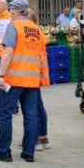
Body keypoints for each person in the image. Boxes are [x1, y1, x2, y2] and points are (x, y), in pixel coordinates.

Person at [0, 0, 47, 163]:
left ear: (13, 10)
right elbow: (42, 57)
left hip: (14, 79)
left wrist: (0, 76)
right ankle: (29, 152)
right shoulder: (37, 29)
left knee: (4, 113)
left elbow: (7, 53)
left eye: (11, 10)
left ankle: (4, 151)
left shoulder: (14, 27)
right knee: (30, 115)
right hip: (32, 80)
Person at [28, 9, 50, 151]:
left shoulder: (30, 33)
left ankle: (35, 139)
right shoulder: (39, 32)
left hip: (28, 73)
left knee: (32, 107)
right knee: (38, 104)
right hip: (37, 71)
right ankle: (43, 137)